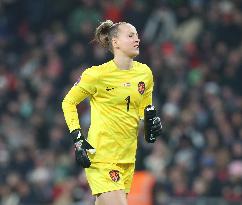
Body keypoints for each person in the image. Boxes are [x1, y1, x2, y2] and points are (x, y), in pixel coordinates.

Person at [62, 20, 162, 205]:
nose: (137, 39)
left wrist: (152, 121)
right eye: (130, 35)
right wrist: (77, 138)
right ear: (115, 42)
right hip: (102, 157)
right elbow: (68, 102)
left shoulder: (145, 73)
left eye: (137, 35)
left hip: (127, 158)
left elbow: (145, 110)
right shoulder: (96, 74)